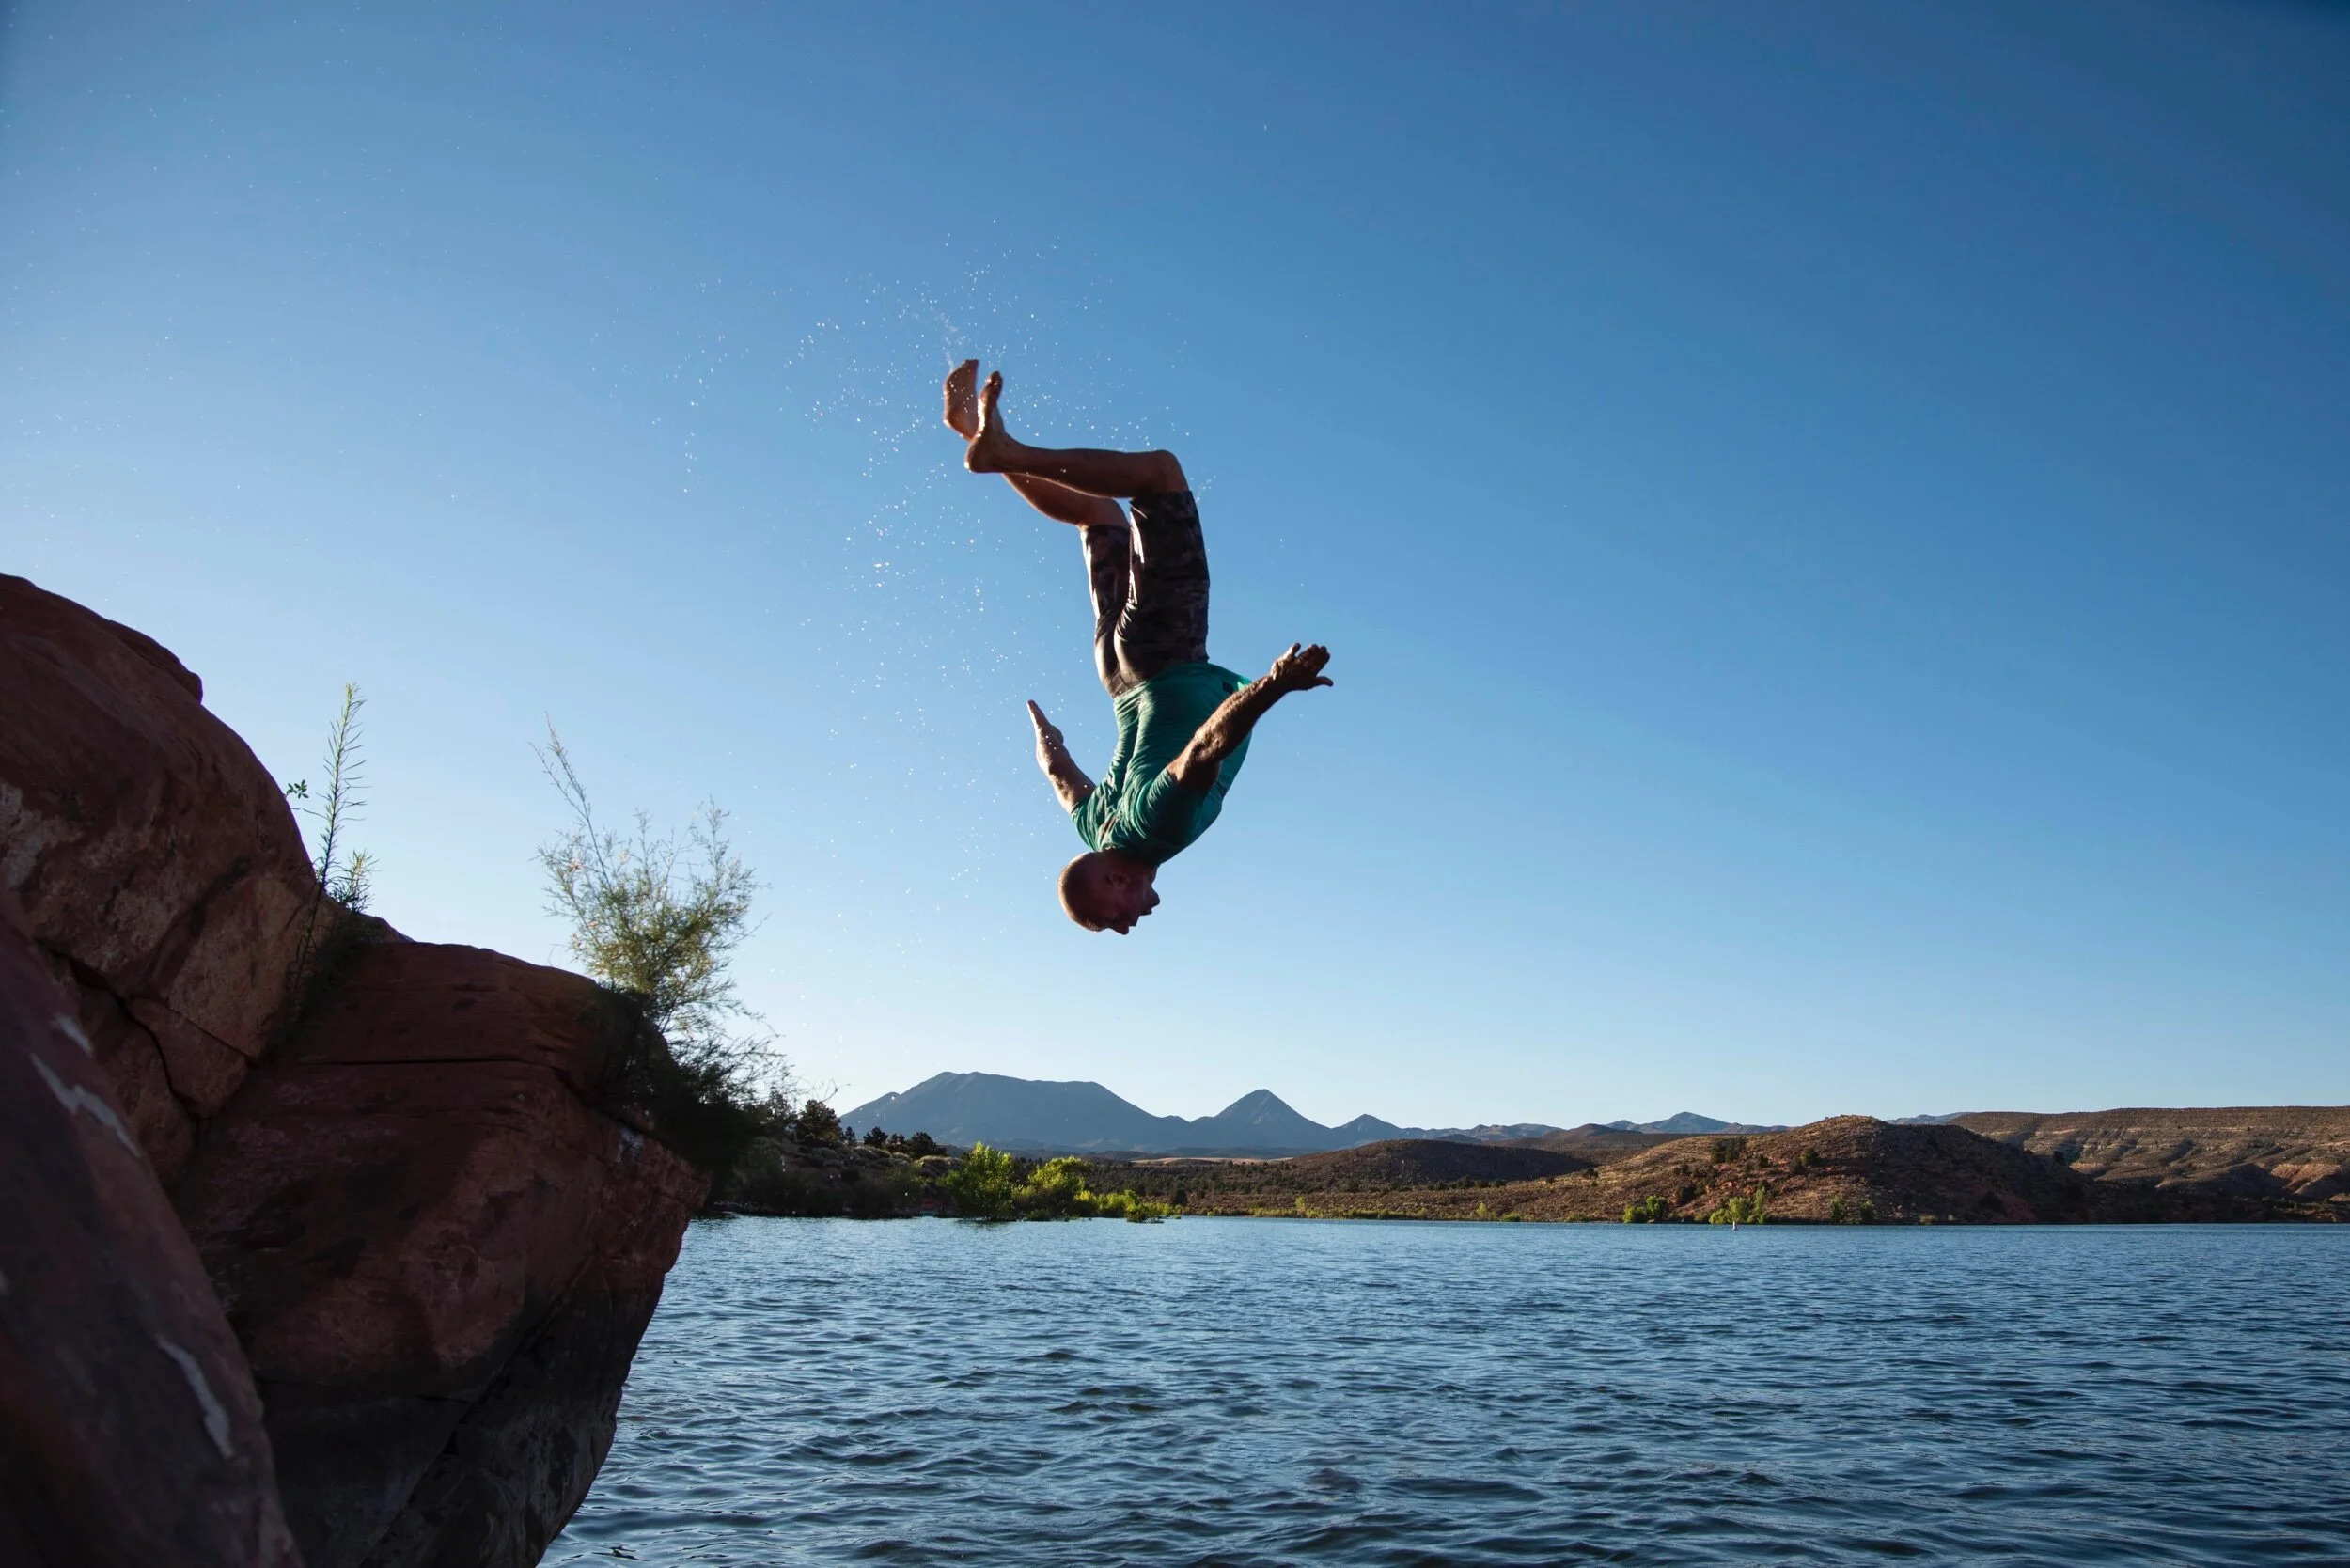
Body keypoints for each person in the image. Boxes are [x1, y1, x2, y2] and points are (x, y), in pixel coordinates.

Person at [943, 360, 1333, 933]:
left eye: (1113, 918)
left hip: (1164, 655)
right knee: (1097, 514)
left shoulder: (1156, 833)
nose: (1128, 925)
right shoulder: (1095, 830)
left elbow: (1203, 750)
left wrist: (1275, 685)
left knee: (1158, 477)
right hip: (1119, 674)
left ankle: (1005, 451)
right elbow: (1057, 771)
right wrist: (1044, 733)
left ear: (1114, 881)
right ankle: (967, 430)